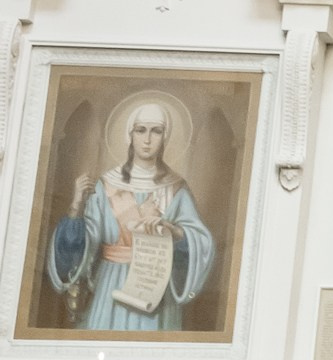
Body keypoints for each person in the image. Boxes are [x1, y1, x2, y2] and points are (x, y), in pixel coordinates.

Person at [46, 101, 216, 333]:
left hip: (155, 287)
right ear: (130, 135)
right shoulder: (105, 185)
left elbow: (201, 242)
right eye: (141, 130)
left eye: (156, 131)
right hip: (111, 286)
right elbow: (84, 244)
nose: (147, 139)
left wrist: (174, 232)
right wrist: (76, 206)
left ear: (165, 137)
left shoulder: (177, 188)